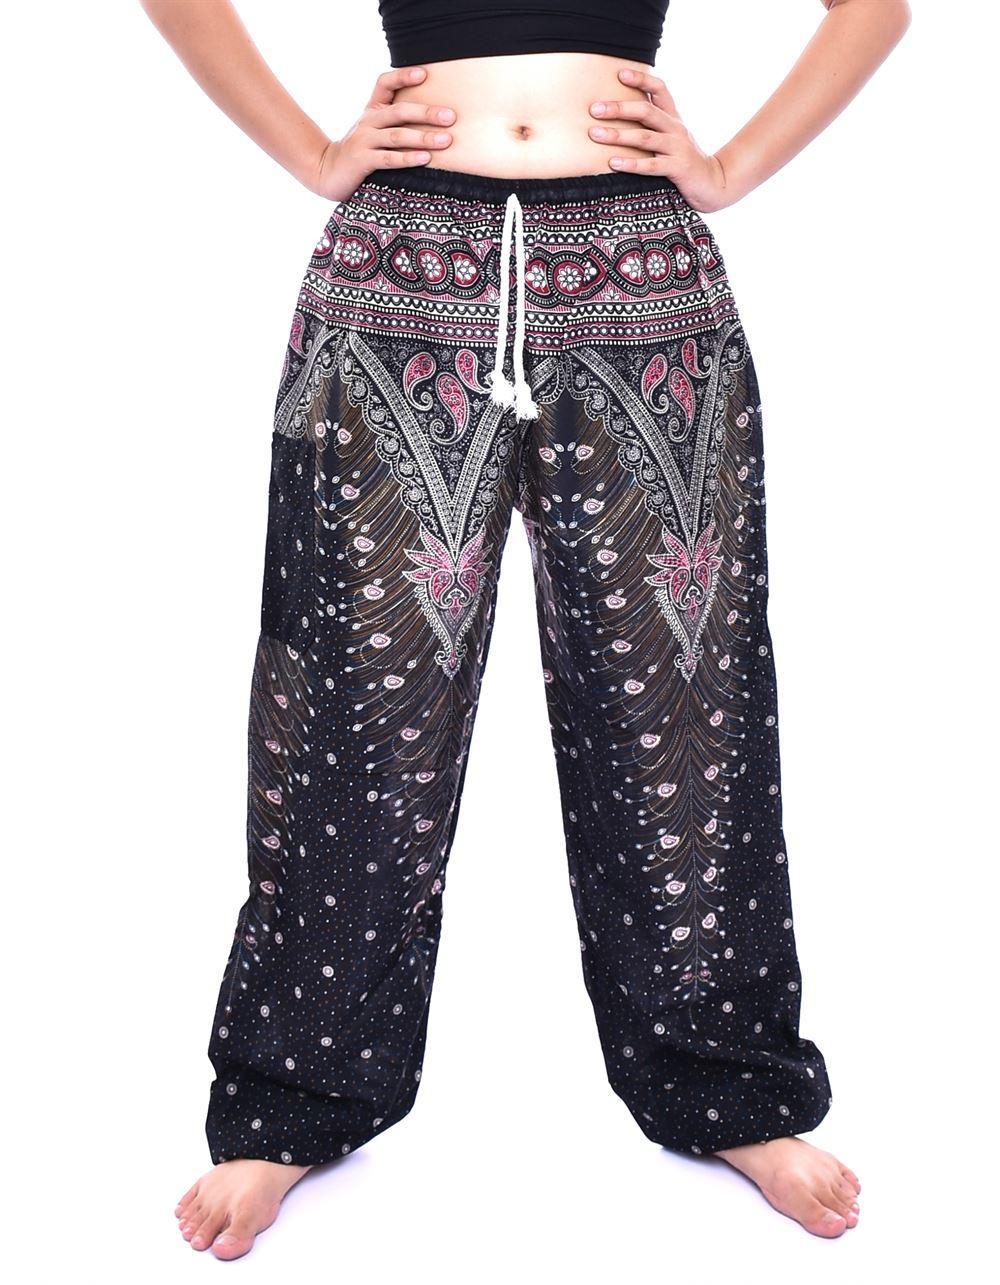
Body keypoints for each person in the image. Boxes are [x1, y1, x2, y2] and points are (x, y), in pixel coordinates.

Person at [141, 0, 910, 1261]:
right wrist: (315, 155)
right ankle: (294, 1098)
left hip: (643, 278)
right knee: (352, 705)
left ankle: (728, 1085)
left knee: (681, 698)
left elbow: (873, 9)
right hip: (397, 274)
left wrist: (726, 169)